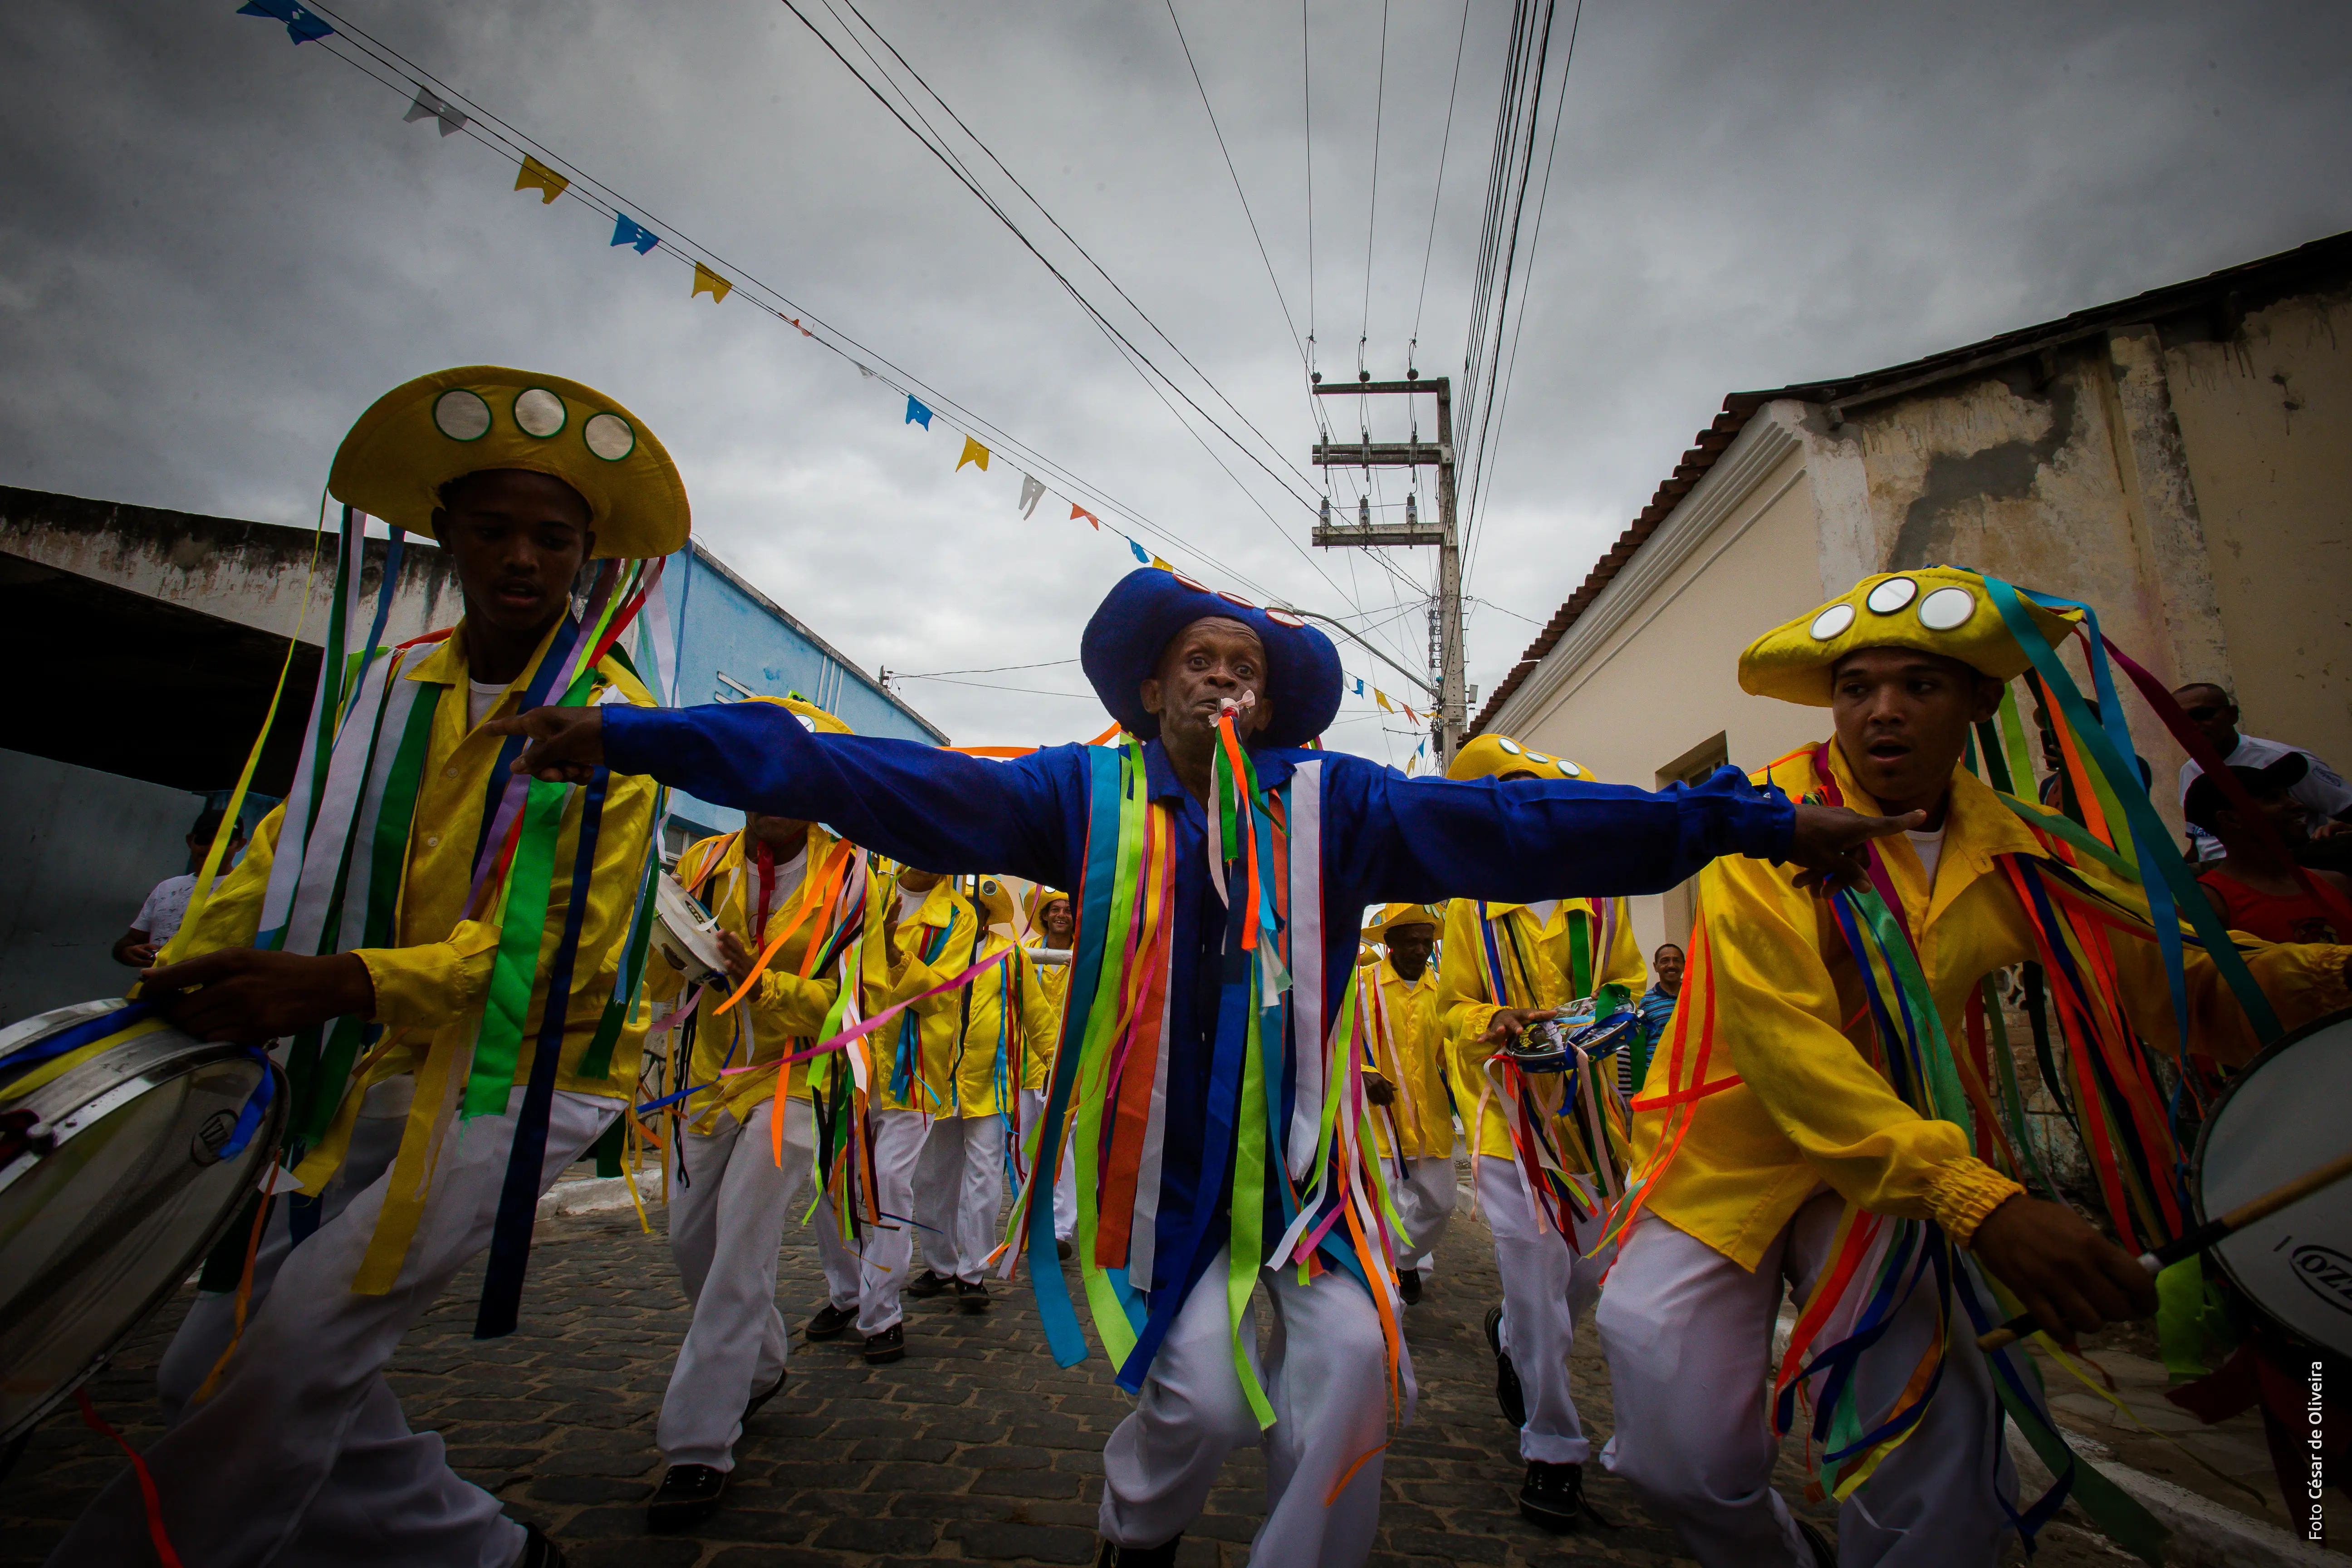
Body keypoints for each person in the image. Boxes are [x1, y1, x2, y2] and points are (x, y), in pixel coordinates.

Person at [489, 565, 1916, 1568]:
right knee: (1207, 1401)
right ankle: (1138, 1528)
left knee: (1356, 1371)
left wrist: (1754, 826)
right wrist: (633, 734)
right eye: (1200, 664)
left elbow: (1525, 836)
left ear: (1272, 705)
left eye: (1246, 668)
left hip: (1315, 1190)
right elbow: (861, 775)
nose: (1225, 680)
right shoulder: (1074, 797)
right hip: (1151, 1192)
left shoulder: (1337, 806)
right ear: (1151, 692)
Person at [56, 367, 687, 1568]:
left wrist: (338, 984)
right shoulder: (385, 684)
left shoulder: (610, 722)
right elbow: (287, 849)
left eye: (553, 539)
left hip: (516, 1076)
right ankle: (482, 1552)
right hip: (356, 1064)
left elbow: (546, 960)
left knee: (293, 1348)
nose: (522, 559)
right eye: (493, 528)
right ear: (442, 532)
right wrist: (194, 968)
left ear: (589, 560)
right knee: (206, 1365)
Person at [1596, 567, 2352, 1568]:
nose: (1884, 712)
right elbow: (1788, 1043)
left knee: (1941, 1446)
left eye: (1921, 685)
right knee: (1672, 1450)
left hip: (1895, 1182)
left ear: (1981, 702)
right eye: (1857, 687)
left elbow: (2180, 983)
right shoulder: (1762, 819)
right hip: (1728, 1161)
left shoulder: (2022, 849)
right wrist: (1978, 1201)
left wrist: (2331, 981)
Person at [643, 701, 870, 1530]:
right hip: (702, 1082)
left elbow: (848, 1006)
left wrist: (759, 981)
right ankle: (764, 1361)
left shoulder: (850, 881)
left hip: (793, 1088)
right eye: (759, 774)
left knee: (741, 1251)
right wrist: (678, 960)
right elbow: (661, 980)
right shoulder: (699, 863)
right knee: (688, 1243)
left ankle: (697, 1445)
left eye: (793, 776)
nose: (773, 793)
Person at [1435, 737, 1645, 1532]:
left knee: (1590, 1276)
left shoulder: (1602, 901)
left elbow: (1624, 983)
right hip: (1507, 1130)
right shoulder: (1471, 906)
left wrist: (1604, 1017)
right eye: (1515, 792)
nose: (1533, 804)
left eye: (1547, 792)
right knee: (1535, 1286)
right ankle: (1551, 1451)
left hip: (1594, 1131)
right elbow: (1452, 1009)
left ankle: (1511, 1335)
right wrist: (1496, 1019)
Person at [907, 873, 1054, 1314]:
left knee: (984, 1179)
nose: (970, 917)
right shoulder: (929, 953)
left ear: (990, 917)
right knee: (932, 1178)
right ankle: (939, 1264)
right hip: (936, 1083)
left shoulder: (1010, 958)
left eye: (978, 911)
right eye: (962, 910)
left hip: (990, 1085)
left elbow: (1038, 1015)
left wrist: (1054, 1063)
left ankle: (973, 1271)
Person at [1356, 904, 1451, 1304]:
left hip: (1430, 1120)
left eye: (1426, 941)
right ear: (1390, 943)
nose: (1420, 949)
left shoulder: (1444, 993)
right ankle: (1384, 1290)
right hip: (1378, 1122)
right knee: (1384, 1212)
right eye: (1411, 941)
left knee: (1441, 1205)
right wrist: (1363, 1070)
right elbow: (1337, 1039)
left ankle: (1405, 1262)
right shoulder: (1361, 985)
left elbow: (1451, 1057)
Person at [2174, 681, 2352, 862]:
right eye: (2179, 720)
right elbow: (2201, 842)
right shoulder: (2189, 770)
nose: (2191, 726)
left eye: (2202, 715)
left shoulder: (2285, 761)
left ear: (2232, 715)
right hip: (2219, 879)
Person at [2189, 756, 2351, 944]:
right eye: (2273, 799)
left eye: (2287, 795)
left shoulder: (2336, 883)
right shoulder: (2208, 904)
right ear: (2230, 820)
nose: (2298, 806)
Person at [113, 808, 248, 967]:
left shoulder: (247, 889)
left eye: (224, 840)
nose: (213, 847)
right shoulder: (166, 888)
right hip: (156, 986)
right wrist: (127, 952)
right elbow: (131, 941)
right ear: (190, 841)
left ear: (240, 845)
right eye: (204, 839)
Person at [1023, 886, 1080, 1255]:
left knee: (1065, 1143)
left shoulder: (1088, 955)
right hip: (1028, 1062)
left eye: (1067, 909)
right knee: (1029, 1143)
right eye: (1054, 909)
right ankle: (1031, 1220)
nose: (1061, 914)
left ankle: (1061, 1228)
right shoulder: (1025, 955)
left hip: (1072, 1060)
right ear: (1044, 916)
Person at [1625, 941, 1682, 1098]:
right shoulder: (1647, 1001)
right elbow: (1640, 1044)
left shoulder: (1695, 994)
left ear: (1685, 965)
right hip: (1658, 1077)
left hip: (1690, 1074)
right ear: (1656, 966)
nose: (1672, 965)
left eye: (1676, 960)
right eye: (1665, 961)